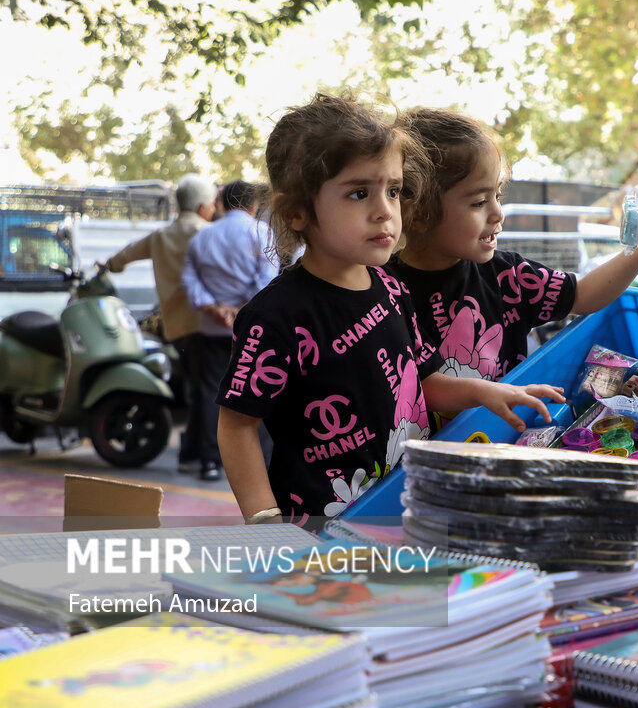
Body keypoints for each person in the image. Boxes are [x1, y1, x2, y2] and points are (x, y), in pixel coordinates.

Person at [216, 94, 563, 529]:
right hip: (325, 530)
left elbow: (425, 379)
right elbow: (236, 426)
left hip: (406, 506)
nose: (385, 211)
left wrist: (484, 393)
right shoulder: (275, 316)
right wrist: (265, 519)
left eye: (393, 190)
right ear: (297, 212)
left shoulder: (390, 287)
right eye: (359, 193)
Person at [389, 108, 638, 429]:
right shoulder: (384, 294)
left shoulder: (509, 274)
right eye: (479, 202)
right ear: (420, 213)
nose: (498, 213)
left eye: (497, 195)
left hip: (511, 432)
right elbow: (423, 386)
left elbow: (582, 295)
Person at [104, 173, 218, 467]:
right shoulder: (208, 233)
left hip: (175, 328)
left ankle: (189, 453)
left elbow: (123, 257)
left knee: (197, 390)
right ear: (205, 206)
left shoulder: (160, 236)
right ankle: (208, 459)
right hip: (208, 323)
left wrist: (107, 265)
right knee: (209, 392)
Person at [181, 180, 276, 482]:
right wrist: (239, 310)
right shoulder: (261, 233)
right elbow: (267, 281)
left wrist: (215, 309)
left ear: (222, 203)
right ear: (253, 205)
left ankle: (210, 462)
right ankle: (257, 466)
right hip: (251, 332)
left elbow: (190, 281)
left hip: (212, 328)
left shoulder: (203, 236)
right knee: (255, 394)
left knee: (212, 393)